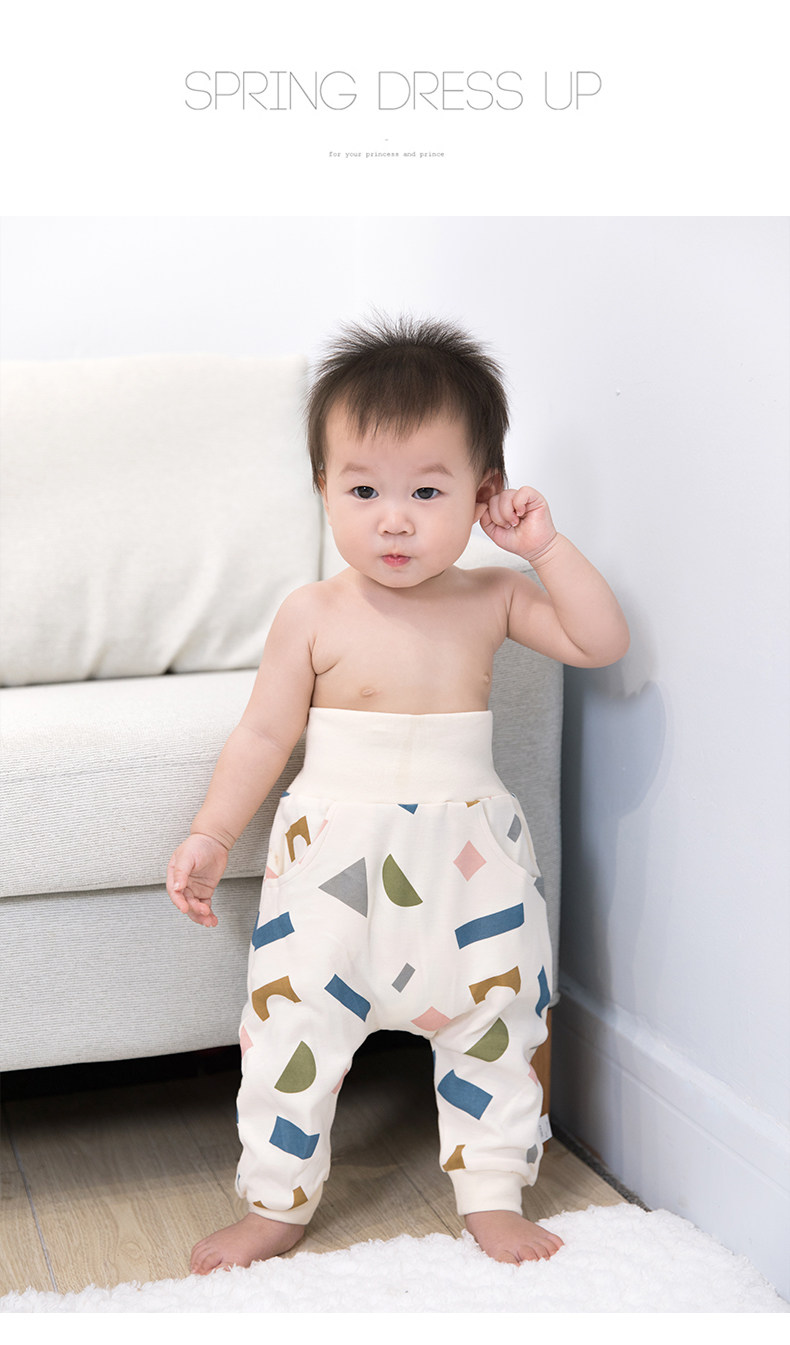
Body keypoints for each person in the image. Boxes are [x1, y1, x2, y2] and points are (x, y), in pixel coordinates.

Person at [166, 315, 630, 1272]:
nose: (395, 518)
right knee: (291, 1025)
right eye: (364, 489)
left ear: (483, 492)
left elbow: (599, 641)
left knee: (498, 1018)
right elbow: (263, 735)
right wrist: (212, 830)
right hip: (332, 856)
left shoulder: (491, 596)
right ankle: (276, 1199)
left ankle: (493, 1189)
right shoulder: (312, 612)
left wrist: (545, 548)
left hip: (471, 860)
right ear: (322, 489)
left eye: (427, 490)